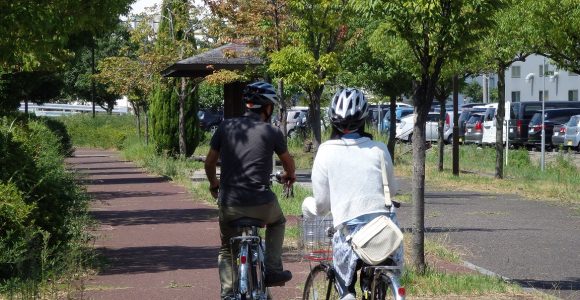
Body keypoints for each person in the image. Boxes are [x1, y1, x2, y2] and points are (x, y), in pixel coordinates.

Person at [303, 88, 402, 300]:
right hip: (386, 232)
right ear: (364, 119)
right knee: (381, 277)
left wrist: (307, 207)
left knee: (345, 288)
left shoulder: (326, 151)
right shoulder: (379, 148)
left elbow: (321, 206)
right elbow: (391, 191)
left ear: (333, 121)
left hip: (351, 237)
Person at [204, 81, 296, 299]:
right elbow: (288, 163)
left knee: (227, 248)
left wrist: (214, 184)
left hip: (230, 204)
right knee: (278, 221)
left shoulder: (225, 127)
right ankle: (273, 270)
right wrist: (289, 177)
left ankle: (228, 292)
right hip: (262, 205)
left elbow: (209, 163)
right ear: (267, 108)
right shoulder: (272, 132)